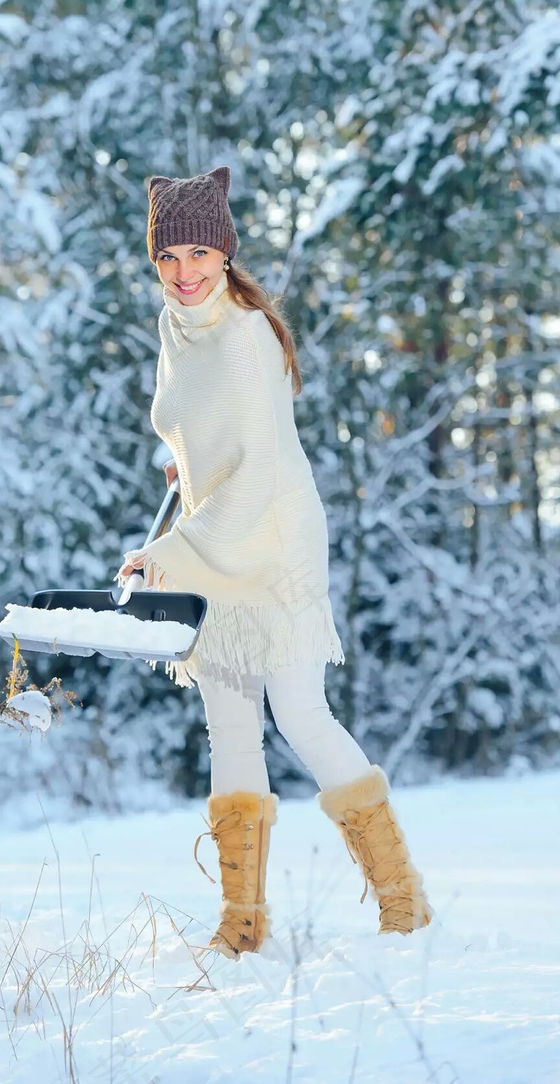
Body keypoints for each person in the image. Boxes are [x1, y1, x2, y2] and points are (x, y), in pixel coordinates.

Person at [115, 166, 433, 960]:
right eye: (169, 257)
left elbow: (260, 468)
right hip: (215, 529)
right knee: (228, 727)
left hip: (272, 539)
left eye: (199, 254)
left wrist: (169, 550)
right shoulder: (175, 325)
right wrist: (186, 465)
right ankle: (242, 924)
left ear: (225, 254)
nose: (184, 273)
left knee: (299, 714)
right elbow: (203, 426)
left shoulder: (246, 334)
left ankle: (404, 904)